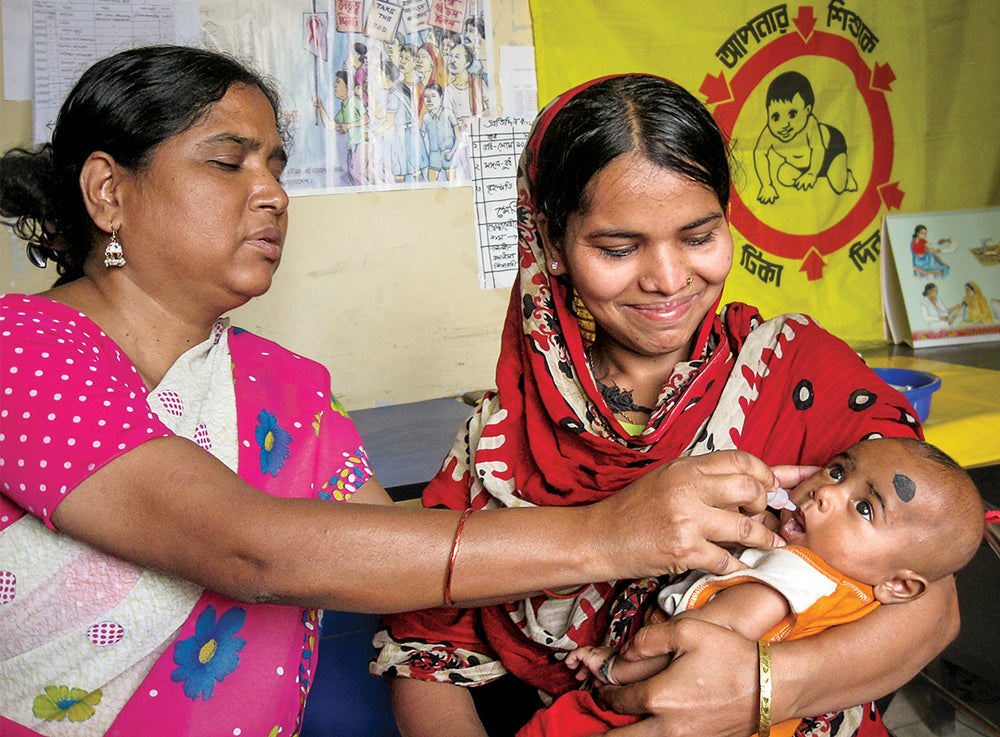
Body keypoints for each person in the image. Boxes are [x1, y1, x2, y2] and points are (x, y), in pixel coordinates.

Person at [0, 49, 790, 737]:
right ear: (107, 190)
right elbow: (252, 546)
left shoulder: (283, 385)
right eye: (228, 161)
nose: (273, 192)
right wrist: (609, 531)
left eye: (276, 165)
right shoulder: (22, 347)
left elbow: (399, 561)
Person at [372, 74, 959, 737]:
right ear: (553, 246)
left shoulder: (799, 373)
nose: (669, 278)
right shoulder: (502, 444)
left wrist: (760, 689)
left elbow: (934, 594)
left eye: (700, 236)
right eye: (618, 248)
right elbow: (425, 651)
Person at [519, 437, 985, 737]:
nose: (826, 493)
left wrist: (613, 669)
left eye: (864, 509)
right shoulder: (850, 589)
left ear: (901, 585)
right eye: (839, 472)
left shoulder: (788, 578)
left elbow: (693, 642)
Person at [753, 70, 857, 204]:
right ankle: (811, 173)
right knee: (783, 177)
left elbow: (818, 148)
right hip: (801, 165)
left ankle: (846, 175)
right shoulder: (769, 133)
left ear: (807, 110)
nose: (784, 124)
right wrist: (766, 185)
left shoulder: (811, 124)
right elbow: (759, 154)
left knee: (839, 184)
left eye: (792, 114)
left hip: (830, 152)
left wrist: (812, 174)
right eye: (776, 117)